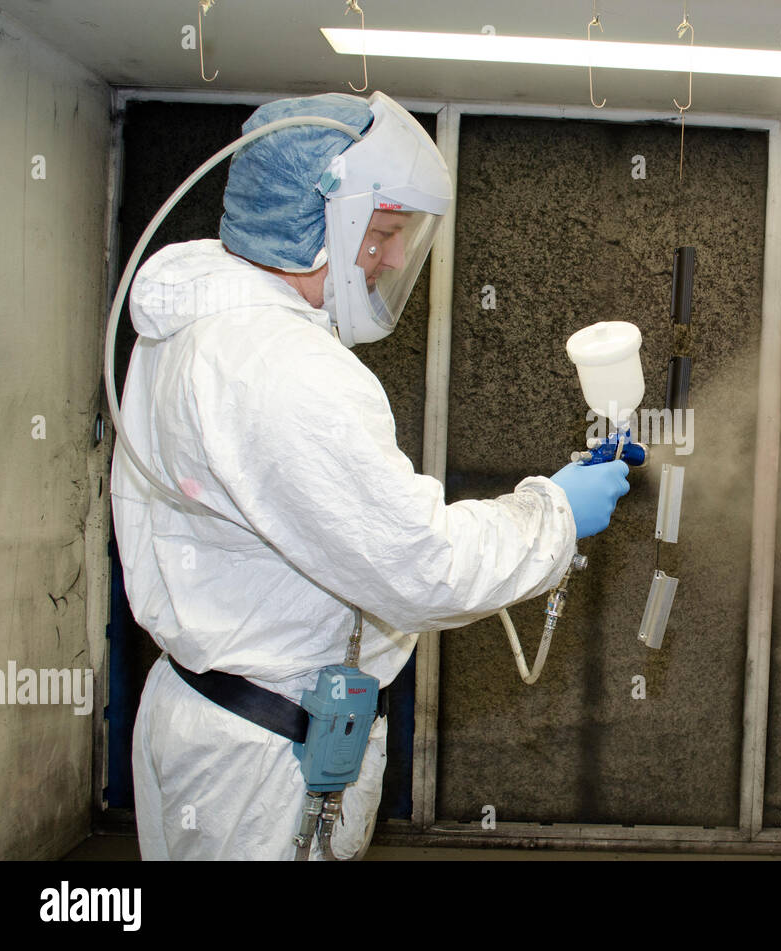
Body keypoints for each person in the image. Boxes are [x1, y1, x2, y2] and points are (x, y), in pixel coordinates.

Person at [111, 91, 630, 860]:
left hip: (205, 714)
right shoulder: (282, 365)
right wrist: (553, 510)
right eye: (382, 232)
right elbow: (422, 566)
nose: (389, 258)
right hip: (260, 767)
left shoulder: (194, 322)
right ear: (316, 217)